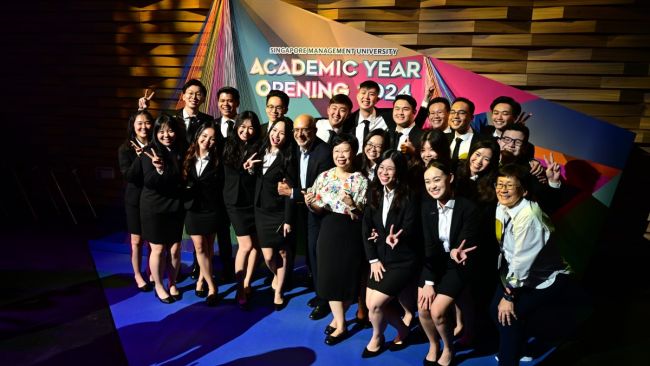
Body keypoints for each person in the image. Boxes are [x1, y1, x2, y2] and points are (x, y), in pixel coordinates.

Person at [491, 164, 571, 366]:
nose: (503, 189)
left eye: (510, 185)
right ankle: (521, 347)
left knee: (508, 316)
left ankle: (508, 360)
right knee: (495, 309)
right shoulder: (502, 205)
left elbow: (522, 261)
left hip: (546, 278)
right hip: (516, 272)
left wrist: (509, 295)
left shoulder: (529, 217)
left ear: (524, 190)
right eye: (500, 184)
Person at [304, 134, 368, 345]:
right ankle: (340, 324)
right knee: (329, 277)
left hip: (351, 233)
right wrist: (311, 202)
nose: (341, 155)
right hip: (328, 229)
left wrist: (353, 205)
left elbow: (363, 215)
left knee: (346, 278)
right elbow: (317, 209)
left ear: (354, 153)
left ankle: (339, 317)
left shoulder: (361, 180)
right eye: (337, 151)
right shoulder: (324, 176)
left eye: (345, 151)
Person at [419, 161, 479, 366]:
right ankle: (433, 345)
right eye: (428, 182)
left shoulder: (468, 208)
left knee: (437, 311)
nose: (432, 186)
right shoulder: (426, 208)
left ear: (450, 178)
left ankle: (449, 348)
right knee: (423, 307)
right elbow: (428, 246)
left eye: (437, 180)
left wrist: (456, 251)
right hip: (434, 264)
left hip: (459, 265)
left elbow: (467, 241)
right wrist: (428, 281)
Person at [361, 151, 420, 358]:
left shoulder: (410, 196)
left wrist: (389, 237)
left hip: (403, 260)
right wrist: (373, 259)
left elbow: (410, 228)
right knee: (371, 305)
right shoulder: (374, 191)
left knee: (376, 305)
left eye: (390, 169)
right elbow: (366, 227)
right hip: (380, 258)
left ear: (399, 172)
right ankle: (403, 330)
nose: (384, 172)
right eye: (381, 168)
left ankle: (377, 337)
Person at [277, 114, 334, 320]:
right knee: (306, 252)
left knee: (316, 252)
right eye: (297, 131)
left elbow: (317, 192)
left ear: (314, 131)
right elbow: (287, 182)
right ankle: (318, 292)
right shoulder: (291, 148)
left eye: (305, 130)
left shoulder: (324, 153)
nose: (300, 134)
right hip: (298, 208)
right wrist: (287, 217)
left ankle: (325, 298)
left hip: (318, 210)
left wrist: (291, 193)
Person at [247, 117, 296, 310]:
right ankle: (277, 276)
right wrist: (250, 170)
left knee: (282, 252)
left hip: (278, 212)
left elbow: (289, 192)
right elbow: (256, 179)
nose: (277, 136)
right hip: (261, 211)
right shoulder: (259, 151)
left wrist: (287, 219)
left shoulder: (288, 158)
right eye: (275, 131)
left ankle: (278, 291)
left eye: (282, 133)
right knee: (267, 256)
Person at [140, 114, 186, 304]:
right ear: (155, 133)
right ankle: (159, 285)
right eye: (161, 131)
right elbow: (148, 181)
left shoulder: (181, 149)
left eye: (170, 130)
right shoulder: (149, 151)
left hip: (175, 206)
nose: (166, 135)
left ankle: (172, 282)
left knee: (175, 249)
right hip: (154, 207)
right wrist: (158, 169)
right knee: (158, 249)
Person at [222, 111, 262, 309]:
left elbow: (261, 175)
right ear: (237, 126)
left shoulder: (260, 148)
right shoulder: (226, 145)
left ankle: (247, 283)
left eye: (251, 127)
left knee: (255, 245)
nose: (246, 131)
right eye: (243, 127)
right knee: (245, 245)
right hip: (234, 202)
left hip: (253, 202)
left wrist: (252, 170)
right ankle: (239, 287)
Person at [182, 122, 221, 306]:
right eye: (204, 136)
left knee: (208, 248)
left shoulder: (217, 160)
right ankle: (213, 287)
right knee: (199, 247)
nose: (207, 141)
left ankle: (201, 279)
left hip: (212, 210)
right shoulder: (187, 158)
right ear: (198, 136)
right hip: (193, 210)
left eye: (212, 138)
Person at [117, 110, 154, 291]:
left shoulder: (157, 145)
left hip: (154, 199)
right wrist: (140, 158)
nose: (143, 127)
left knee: (153, 240)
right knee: (136, 241)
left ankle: (151, 270)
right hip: (134, 199)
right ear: (133, 126)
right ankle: (138, 274)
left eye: (147, 122)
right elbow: (129, 176)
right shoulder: (125, 149)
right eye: (139, 123)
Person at [342, 80, 394, 152]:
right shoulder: (349, 121)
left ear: (377, 99)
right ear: (357, 96)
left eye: (371, 94)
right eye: (363, 93)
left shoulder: (389, 116)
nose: (366, 97)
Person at [447, 97, 479, 170]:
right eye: (452, 112)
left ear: (471, 117)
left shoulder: (482, 141)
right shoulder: (444, 139)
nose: (455, 116)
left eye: (461, 113)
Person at [388, 94, 423, 161]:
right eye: (397, 109)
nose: (400, 112)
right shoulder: (387, 134)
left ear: (414, 112)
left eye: (405, 109)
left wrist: (414, 152)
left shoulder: (423, 136)